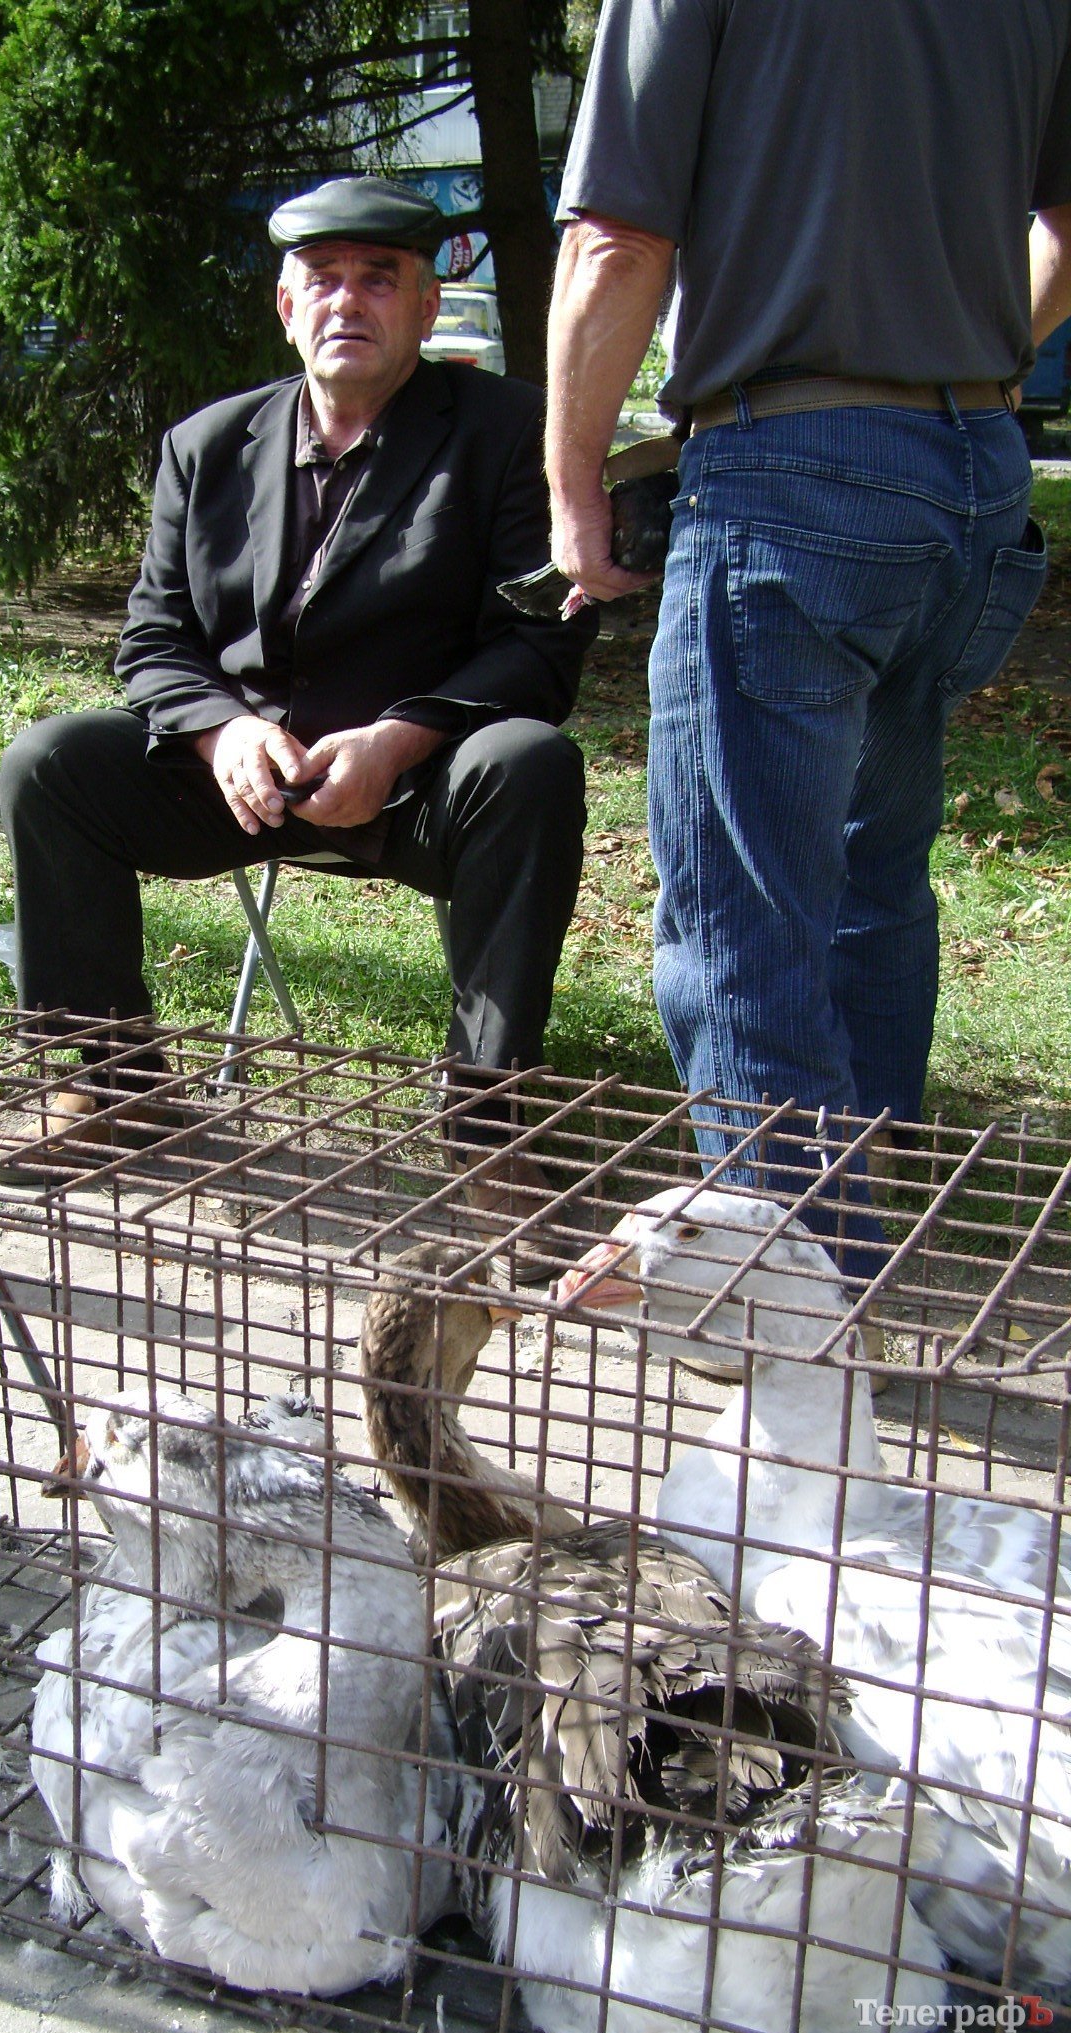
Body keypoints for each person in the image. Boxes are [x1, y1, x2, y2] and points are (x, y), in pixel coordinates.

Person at [546, 0, 1071, 1267]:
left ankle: (805, 1305)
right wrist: (985, 357)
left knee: (743, 916)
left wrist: (569, 489)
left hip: (789, 477)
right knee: (870, 871)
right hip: (974, 471)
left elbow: (618, 243)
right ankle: (867, 1228)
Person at [0, 175, 595, 1192]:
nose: (347, 301)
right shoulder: (205, 446)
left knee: (530, 762)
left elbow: (540, 643)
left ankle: (486, 1119)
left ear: (426, 306)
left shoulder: (507, 434)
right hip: (240, 782)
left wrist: (397, 741)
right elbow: (153, 639)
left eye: (379, 278)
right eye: (322, 279)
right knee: (49, 763)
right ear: (287, 307)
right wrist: (221, 733)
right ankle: (111, 1085)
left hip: (422, 785)